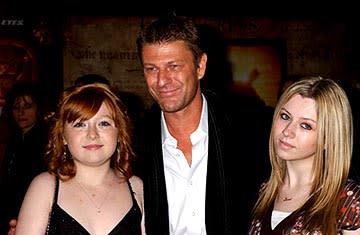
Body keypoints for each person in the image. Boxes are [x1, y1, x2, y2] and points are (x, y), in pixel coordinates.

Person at [134, 15, 271, 235]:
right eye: (151, 69)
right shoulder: (134, 142)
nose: (161, 80)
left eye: (173, 66)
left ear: (200, 66)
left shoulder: (249, 131)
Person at [14, 83, 145, 234]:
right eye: (80, 125)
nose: (92, 134)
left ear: (120, 132)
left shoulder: (137, 188)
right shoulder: (45, 187)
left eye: (104, 123)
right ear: (63, 135)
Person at [248, 76, 360, 234]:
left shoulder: (347, 199)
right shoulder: (263, 190)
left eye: (306, 126)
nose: (287, 131)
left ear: (328, 138)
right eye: (285, 116)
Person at [0, 81, 50, 235]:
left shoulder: (46, 140)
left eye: (27, 106)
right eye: (16, 107)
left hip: (33, 211)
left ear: (39, 109)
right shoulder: (14, 138)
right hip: (11, 211)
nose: (21, 112)